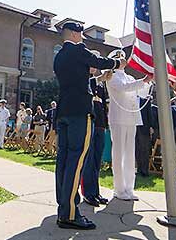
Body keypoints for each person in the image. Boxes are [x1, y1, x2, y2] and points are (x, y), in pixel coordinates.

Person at [53, 21, 124, 230]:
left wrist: (100, 76)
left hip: (64, 112)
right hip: (79, 113)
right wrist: (117, 64)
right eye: (81, 34)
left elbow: (81, 78)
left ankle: (63, 209)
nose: (82, 38)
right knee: (76, 161)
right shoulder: (78, 50)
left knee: (64, 162)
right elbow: (97, 60)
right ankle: (70, 214)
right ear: (75, 34)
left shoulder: (59, 56)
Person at [106, 49, 152, 201]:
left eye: (123, 58)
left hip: (131, 118)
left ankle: (129, 188)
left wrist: (148, 82)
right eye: (119, 59)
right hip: (118, 118)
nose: (123, 61)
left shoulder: (129, 76)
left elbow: (142, 94)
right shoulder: (111, 76)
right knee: (119, 154)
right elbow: (124, 88)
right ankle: (119, 189)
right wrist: (143, 81)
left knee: (130, 154)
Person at [81, 57, 112, 207]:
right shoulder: (85, 79)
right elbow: (88, 84)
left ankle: (96, 192)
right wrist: (100, 78)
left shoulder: (99, 85)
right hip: (89, 123)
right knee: (88, 160)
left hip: (100, 125)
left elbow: (104, 106)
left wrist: (105, 124)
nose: (93, 67)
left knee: (97, 161)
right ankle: (87, 193)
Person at [136, 96, 154, 177]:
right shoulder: (129, 100)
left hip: (144, 128)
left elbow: (149, 114)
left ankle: (144, 170)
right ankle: (138, 169)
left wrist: (151, 127)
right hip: (133, 127)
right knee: (136, 150)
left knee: (144, 149)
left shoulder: (145, 101)